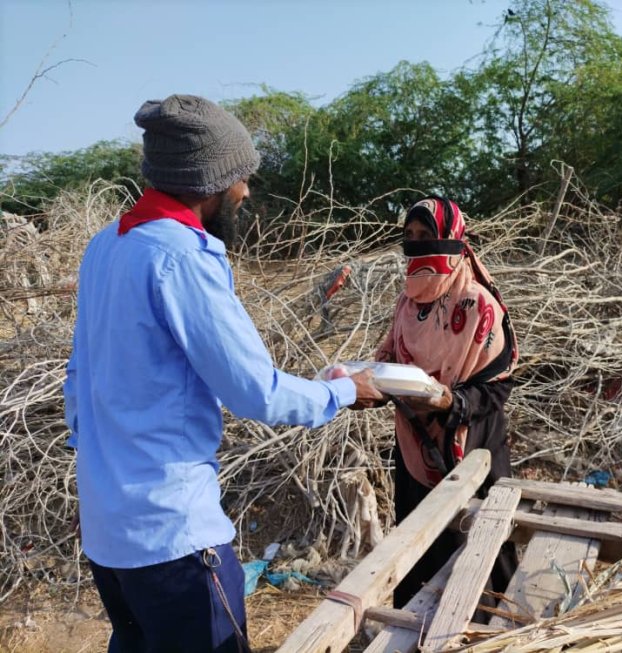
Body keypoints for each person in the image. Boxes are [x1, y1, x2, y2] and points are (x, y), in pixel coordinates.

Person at [62, 94, 382, 653]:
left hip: (110, 537)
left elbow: (77, 386)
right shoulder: (183, 258)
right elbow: (255, 390)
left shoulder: (106, 247)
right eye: (240, 178)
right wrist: (340, 392)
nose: (246, 192)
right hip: (174, 540)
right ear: (208, 180)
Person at [371, 196, 519, 608]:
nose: (417, 246)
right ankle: (416, 631)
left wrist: (449, 402)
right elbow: (389, 359)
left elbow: (498, 385)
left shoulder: (479, 307)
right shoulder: (407, 302)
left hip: (474, 449)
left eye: (427, 236)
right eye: (409, 237)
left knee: (483, 541)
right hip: (415, 447)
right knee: (418, 540)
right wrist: (369, 384)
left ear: (453, 241)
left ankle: (491, 628)